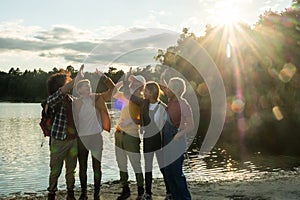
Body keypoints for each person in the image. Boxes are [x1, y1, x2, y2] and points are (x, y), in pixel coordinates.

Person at [123, 79, 171, 200]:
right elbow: (128, 95)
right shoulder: (144, 103)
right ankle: (148, 193)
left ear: (152, 92)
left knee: (162, 167)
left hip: (159, 141)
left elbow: (167, 126)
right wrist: (125, 80)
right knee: (148, 167)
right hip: (147, 139)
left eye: (146, 91)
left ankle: (169, 192)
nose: (144, 93)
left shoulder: (163, 108)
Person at [73, 69, 115, 200]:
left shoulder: (97, 98)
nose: (89, 88)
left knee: (97, 166)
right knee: (83, 167)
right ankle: (84, 193)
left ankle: (97, 193)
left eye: (89, 86)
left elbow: (113, 90)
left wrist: (104, 77)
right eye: (86, 87)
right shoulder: (76, 103)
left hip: (96, 136)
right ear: (79, 90)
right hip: (82, 138)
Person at [46, 65, 84, 200]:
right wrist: (77, 77)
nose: (69, 84)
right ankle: (51, 193)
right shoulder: (53, 99)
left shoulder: (71, 99)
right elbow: (62, 91)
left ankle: (70, 194)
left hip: (72, 140)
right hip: (58, 140)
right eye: (67, 82)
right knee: (55, 170)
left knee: (71, 170)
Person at [160, 71, 195, 200]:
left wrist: (178, 135)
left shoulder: (183, 104)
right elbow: (164, 88)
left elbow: (191, 125)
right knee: (168, 172)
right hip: (167, 140)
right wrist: (163, 78)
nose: (166, 89)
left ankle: (185, 198)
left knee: (176, 174)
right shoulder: (170, 100)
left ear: (175, 90)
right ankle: (175, 197)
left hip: (176, 140)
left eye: (169, 87)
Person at [113, 70, 146, 200]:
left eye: (136, 82)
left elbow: (142, 120)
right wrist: (121, 82)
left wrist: (133, 121)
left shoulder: (141, 101)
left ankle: (140, 191)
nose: (133, 84)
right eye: (133, 82)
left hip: (131, 136)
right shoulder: (126, 96)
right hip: (119, 134)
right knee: (121, 164)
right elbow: (114, 93)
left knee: (136, 164)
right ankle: (125, 190)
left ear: (141, 86)